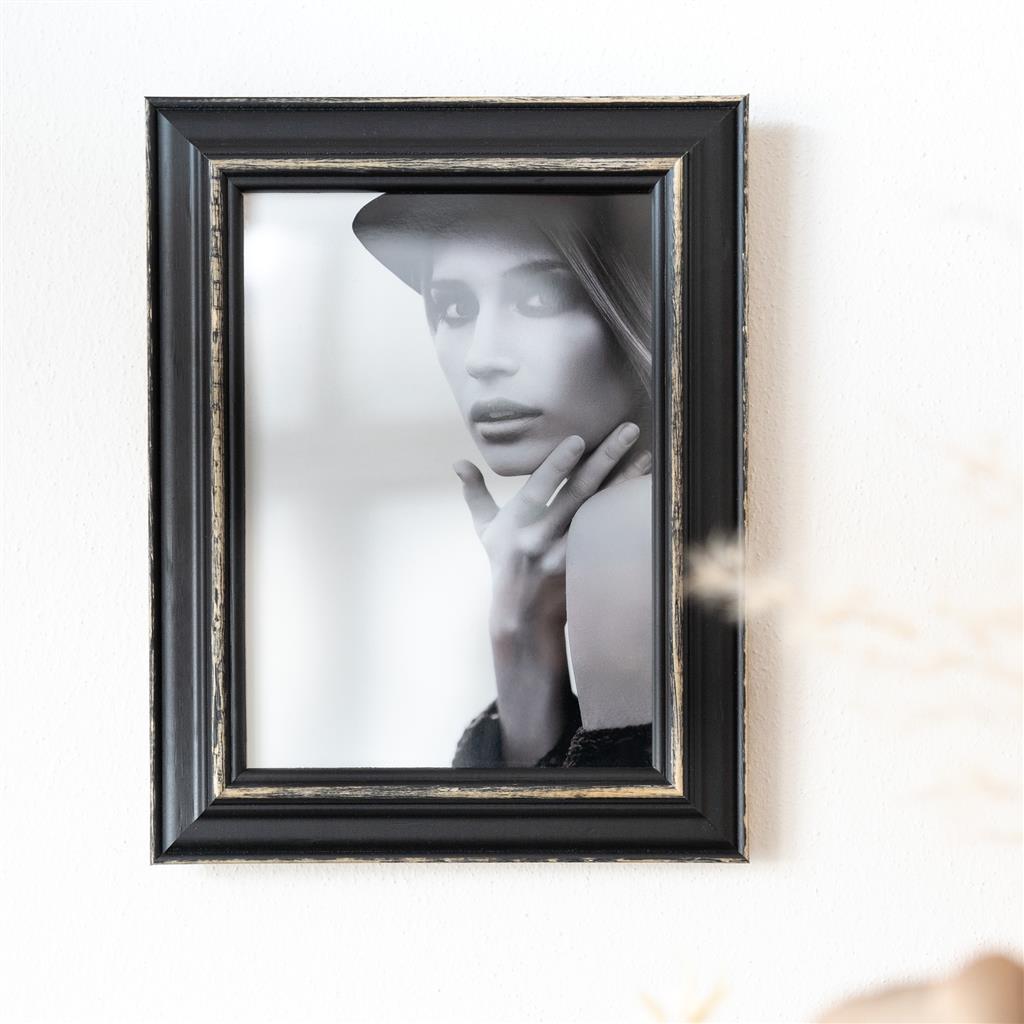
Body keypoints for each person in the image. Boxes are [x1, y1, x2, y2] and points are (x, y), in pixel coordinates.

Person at [352, 192, 653, 768]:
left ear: (635, 303)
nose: (481, 358)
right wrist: (522, 634)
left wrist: (518, 633)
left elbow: (593, 824)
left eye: (540, 298)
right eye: (454, 308)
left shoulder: (624, 527)